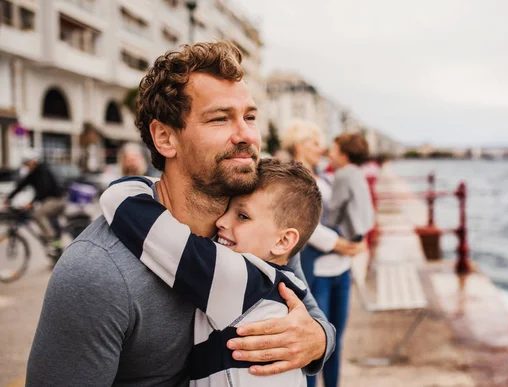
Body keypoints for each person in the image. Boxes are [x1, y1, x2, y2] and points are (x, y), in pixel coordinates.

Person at [26, 42, 334, 386]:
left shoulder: (259, 229)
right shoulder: (97, 273)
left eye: (249, 117)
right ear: (164, 137)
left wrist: (319, 339)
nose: (247, 135)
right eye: (220, 118)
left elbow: (304, 307)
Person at [99, 158, 324, 386]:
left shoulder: (237, 277)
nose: (222, 221)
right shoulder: (280, 283)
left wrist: (158, 184)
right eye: (227, 208)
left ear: (284, 240)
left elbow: (121, 204)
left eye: (242, 216)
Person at [314, 132, 375, 387]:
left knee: (324, 342)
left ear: (345, 154)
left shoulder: (340, 176)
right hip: (333, 264)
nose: (329, 153)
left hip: (336, 260)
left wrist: (329, 224)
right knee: (333, 341)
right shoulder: (358, 174)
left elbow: (336, 209)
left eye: (334, 150)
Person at [280, 121, 364, 290]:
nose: (321, 150)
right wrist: (338, 244)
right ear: (299, 146)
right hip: (316, 271)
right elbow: (300, 223)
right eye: (316, 144)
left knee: (340, 317)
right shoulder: (290, 182)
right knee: (319, 316)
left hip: (341, 266)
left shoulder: (326, 179)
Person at [4, 148, 66, 252]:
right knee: (44, 217)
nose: (26, 166)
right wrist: (9, 199)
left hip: (56, 200)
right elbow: (21, 185)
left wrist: (31, 203)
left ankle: (51, 239)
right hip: (48, 200)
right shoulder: (33, 173)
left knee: (38, 214)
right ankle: (55, 247)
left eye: (27, 163)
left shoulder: (42, 171)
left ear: (33, 161)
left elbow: (43, 189)